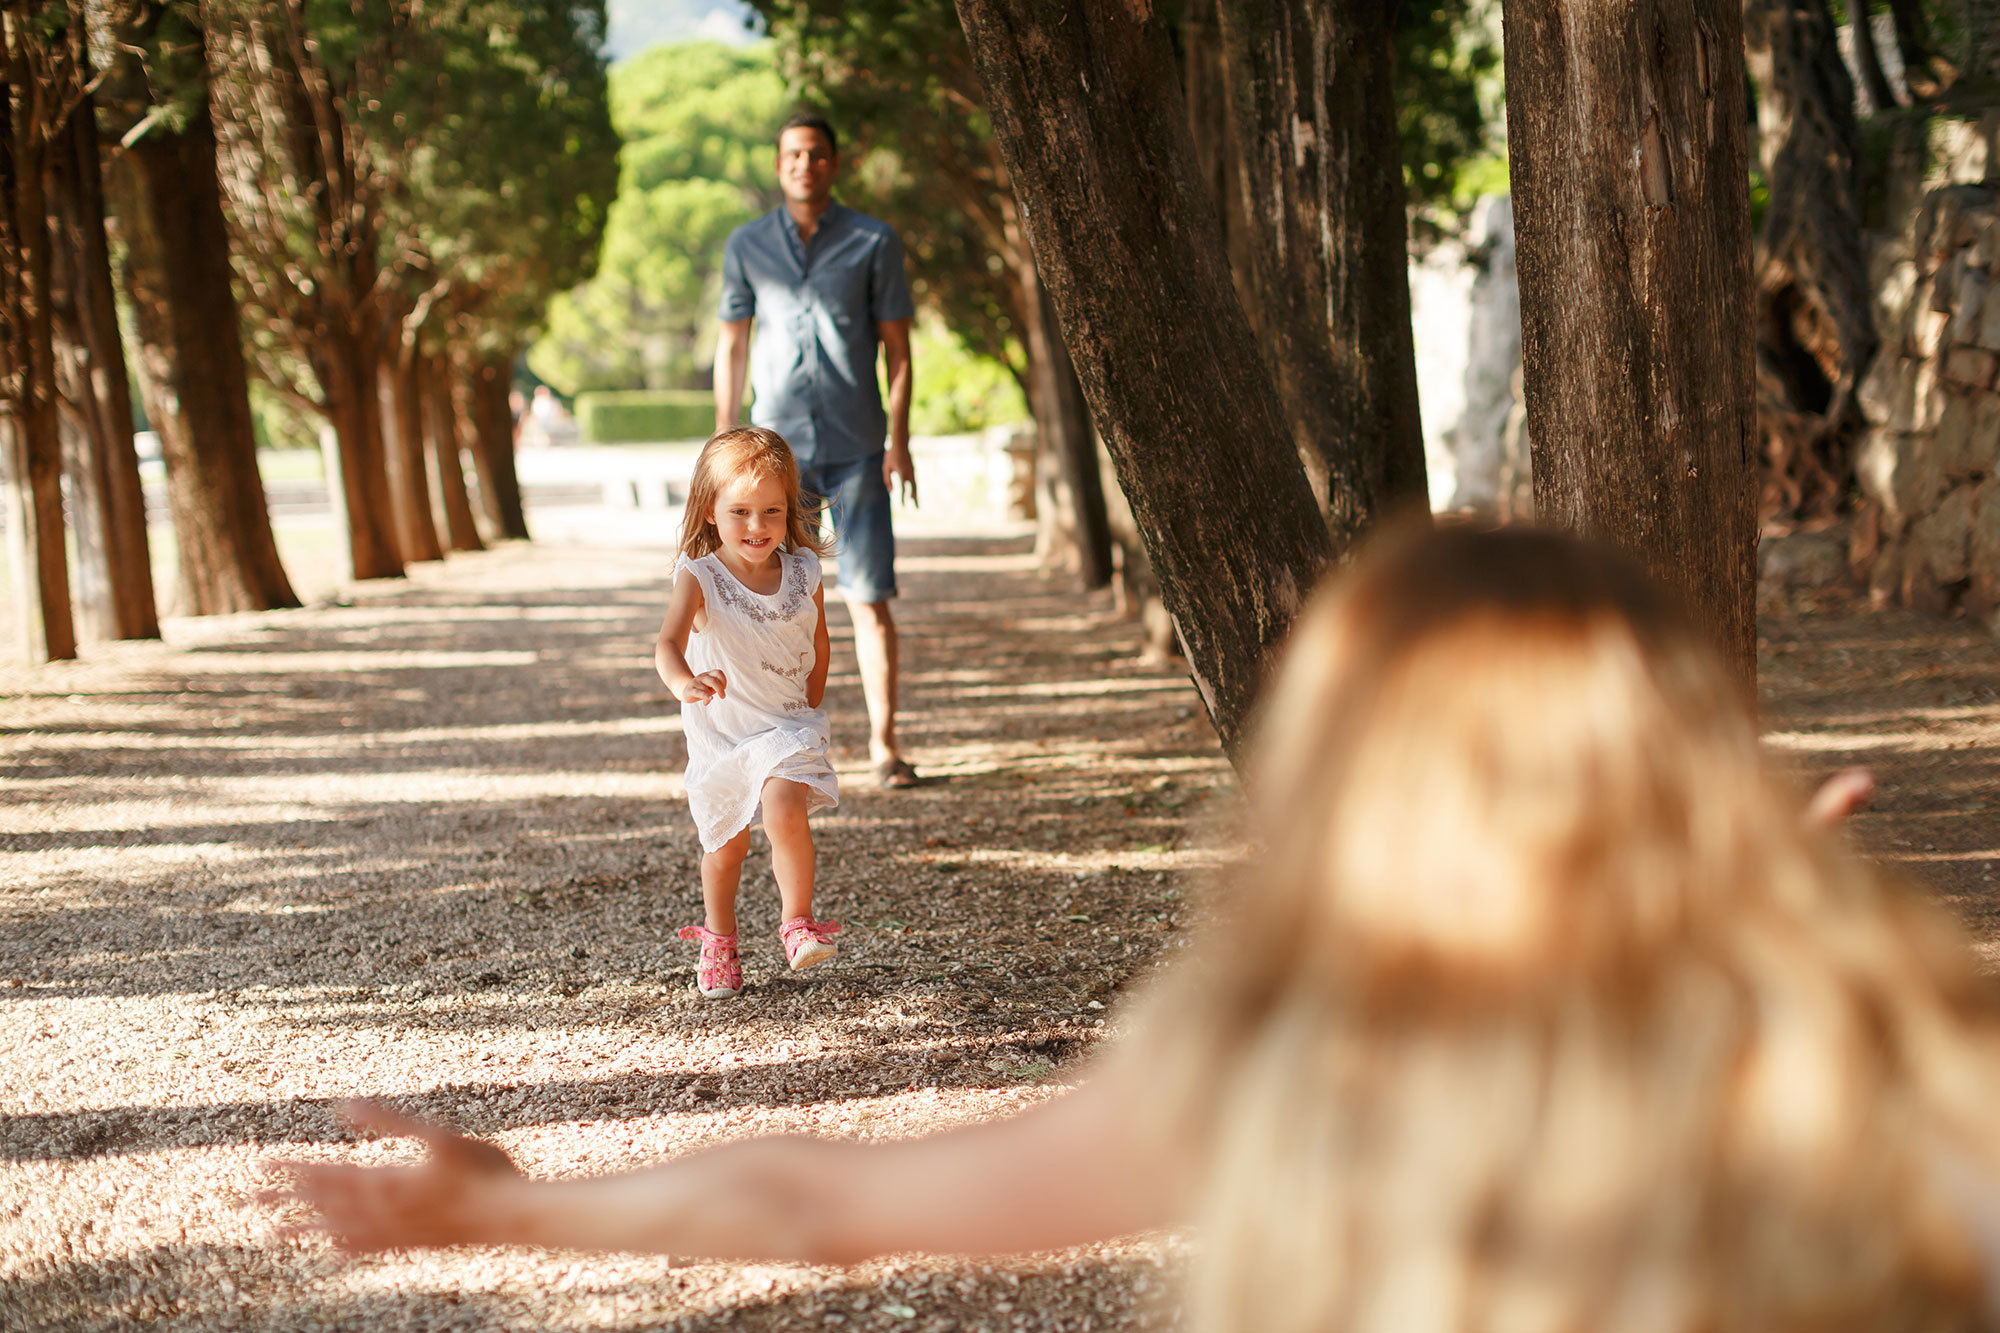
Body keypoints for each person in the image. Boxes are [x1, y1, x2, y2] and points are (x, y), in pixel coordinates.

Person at [265, 524, 2000, 1332]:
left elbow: (819, 1197)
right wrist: (1786, 938)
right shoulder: (1882, 1044)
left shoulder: (1281, 1059)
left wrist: (501, 1200)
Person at [713, 110, 920, 790]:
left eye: (818, 154)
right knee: (775, 602)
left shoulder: (874, 241)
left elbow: (898, 350)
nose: (806, 164)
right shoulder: (746, 245)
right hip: (778, 458)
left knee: (869, 595)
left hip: (860, 446)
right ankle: (780, 743)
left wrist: (900, 439)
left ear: (835, 163)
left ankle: (885, 747)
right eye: (794, 155)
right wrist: (724, 442)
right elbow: (733, 344)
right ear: (780, 166)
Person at [653, 426, 842, 999]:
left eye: (772, 512)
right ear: (710, 511)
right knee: (726, 848)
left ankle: (797, 921)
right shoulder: (701, 575)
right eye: (740, 511)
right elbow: (666, 644)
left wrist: (811, 698)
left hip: (787, 727)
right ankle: (719, 939)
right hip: (724, 735)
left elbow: (820, 641)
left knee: (785, 803)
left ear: (790, 512)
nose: (757, 527)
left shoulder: (804, 573)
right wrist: (686, 682)